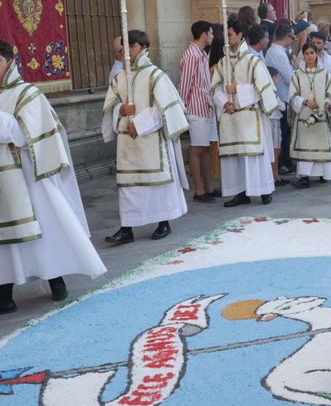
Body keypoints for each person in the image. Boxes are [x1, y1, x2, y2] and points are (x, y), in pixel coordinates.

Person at [0, 39, 106, 317]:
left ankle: (56, 279)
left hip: (26, 176)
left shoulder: (28, 94)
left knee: (42, 230)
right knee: (1, 238)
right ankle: (3, 295)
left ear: (10, 61)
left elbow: (27, 135)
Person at [102, 30, 190, 244]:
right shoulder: (120, 78)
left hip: (150, 141)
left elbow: (164, 110)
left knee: (155, 185)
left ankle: (163, 222)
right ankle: (126, 228)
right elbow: (111, 106)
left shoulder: (156, 75)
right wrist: (121, 110)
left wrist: (139, 125)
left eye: (132, 47)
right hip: (128, 145)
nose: (127, 53)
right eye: (124, 49)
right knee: (129, 186)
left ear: (143, 47)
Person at [214, 18, 280, 207]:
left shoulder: (252, 61)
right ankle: (240, 192)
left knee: (253, 156)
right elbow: (215, 87)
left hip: (250, 116)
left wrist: (238, 91)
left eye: (229, 34)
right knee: (235, 157)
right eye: (224, 35)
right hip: (231, 115)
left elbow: (265, 89)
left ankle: (264, 189)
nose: (226, 38)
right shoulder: (222, 62)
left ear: (240, 35)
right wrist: (224, 102)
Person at [288, 39, 331, 188]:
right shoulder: (297, 74)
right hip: (304, 117)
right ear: (303, 56)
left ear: (317, 54)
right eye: (306, 54)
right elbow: (292, 95)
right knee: (305, 145)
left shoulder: (325, 74)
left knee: (320, 143)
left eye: (312, 53)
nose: (309, 56)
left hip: (321, 117)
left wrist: (328, 103)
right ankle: (304, 177)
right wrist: (305, 102)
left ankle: (324, 174)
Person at [179, 21, 220, 203]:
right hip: (195, 108)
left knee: (205, 148)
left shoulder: (201, 54)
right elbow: (185, 84)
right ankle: (199, 190)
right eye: (210, 33)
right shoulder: (191, 55)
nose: (212, 37)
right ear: (203, 34)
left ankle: (208, 186)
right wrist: (183, 108)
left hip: (206, 107)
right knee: (197, 149)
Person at [265, 21, 296, 178]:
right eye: (292, 37)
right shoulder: (277, 52)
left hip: (281, 95)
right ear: (288, 36)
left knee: (283, 134)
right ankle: (282, 164)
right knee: (283, 134)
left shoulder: (274, 51)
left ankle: (282, 163)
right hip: (282, 96)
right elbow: (289, 76)